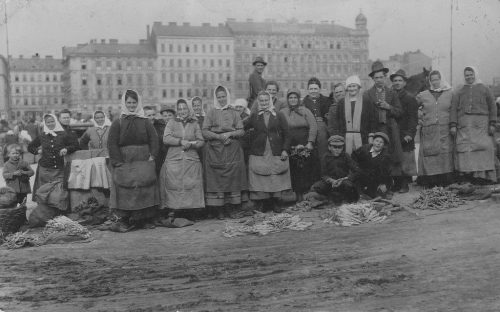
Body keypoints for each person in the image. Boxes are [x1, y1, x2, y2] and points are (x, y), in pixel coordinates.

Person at [107, 89, 160, 231]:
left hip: (143, 157)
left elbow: (154, 139)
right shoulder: (117, 122)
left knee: (144, 187)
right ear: (124, 103)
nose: (131, 105)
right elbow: (112, 143)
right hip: (125, 159)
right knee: (126, 188)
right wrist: (117, 162)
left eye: (134, 102)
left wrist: (152, 156)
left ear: (138, 103)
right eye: (129, 102)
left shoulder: (145, 122)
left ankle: (145, 219)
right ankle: (126, 219)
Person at [202, 86, 247, 219]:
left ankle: (231, 208)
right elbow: (204, 131)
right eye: (219, 97)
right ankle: (219, 210)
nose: (222, 99)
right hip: (216, 149)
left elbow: (241, 130)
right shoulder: (211, 112)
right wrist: (219, 137)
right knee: (217, 179)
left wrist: (230, 134)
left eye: (223, 96)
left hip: (232, 148)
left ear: (227, 97)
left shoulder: (234, 112)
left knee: (232, 179)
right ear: (216, 98)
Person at [245, 91, 291, 212]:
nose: (264, 103)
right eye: (262, 101)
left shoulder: (278, 115)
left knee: (275, 176)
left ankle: (276, 203)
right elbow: (242, 126)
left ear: (270, 101)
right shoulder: (254, 115)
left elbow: (287, 134)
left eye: (266, 100)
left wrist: (285, 150)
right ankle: (264, 203)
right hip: (260, 151)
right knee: (261, 176)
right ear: (258, 102)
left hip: (275, 150)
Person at [450, 66, 497, 183]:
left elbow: (492, 107)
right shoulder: (459, 90)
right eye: (467, 75)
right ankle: (467, 175)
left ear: (475, 74)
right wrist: (453, 124)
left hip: (482, 125)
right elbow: (453, 108)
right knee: (465, 149)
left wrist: (492, 123)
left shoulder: (485, 89)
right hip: (464, 125)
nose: (469, 77)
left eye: (471, 74)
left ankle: (482, 175)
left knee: (484, 148)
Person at [160, 99, 205, 219]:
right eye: (179, 109)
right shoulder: (172, 122)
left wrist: (191, 144)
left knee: (191, 184)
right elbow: (166, 138)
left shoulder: (194, 123)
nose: (182, 111)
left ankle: (191, 211)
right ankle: (176, 210)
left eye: (184, 108)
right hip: (174, 158)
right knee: (175, 184)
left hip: (191, 158)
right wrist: (180, 141)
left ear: (188, 109)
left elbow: (201, 141)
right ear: (177, 111)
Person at [365, 61, 403, 185]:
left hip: (391, 129)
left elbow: (399, 112)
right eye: (376, 78)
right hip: (376, 129)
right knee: (378, 155)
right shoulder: (367, 94)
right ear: (372, 79)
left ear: (385, 77)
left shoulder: (392, 93)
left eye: (381, 77)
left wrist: (388, 107)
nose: (379, 80)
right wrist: (370, 133)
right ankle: (381, 184)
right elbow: (366, 115)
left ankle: (398, 183)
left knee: (393, 154)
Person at [416, 70, 455, 187]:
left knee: (445, 154)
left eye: (437, 79)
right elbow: (412, 107)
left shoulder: (450, 93)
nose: (435, 82)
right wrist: (419, 117)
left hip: (445, 129)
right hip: (429, 130)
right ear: (430, 81)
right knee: (430, 155)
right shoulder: (423, 95)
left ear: (441, 79)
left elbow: (454, 109)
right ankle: (430, 179)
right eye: (432, 80)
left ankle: (445, 179)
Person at [28, 114, 79, 199]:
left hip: (60, 168)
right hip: (45, 169)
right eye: (48, 122)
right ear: (45, 123)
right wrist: (38, 151)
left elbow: (75, 145)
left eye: (52, 121)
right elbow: (30, 147)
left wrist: (67, 149)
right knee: (45, 192)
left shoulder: (64, 134)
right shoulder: (42, 136)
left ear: (56, 122)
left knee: (59, 192)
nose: (50, 124)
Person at [281, 88, 319, 202]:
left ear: (298, 99)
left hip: (304, 145)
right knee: (293, 170)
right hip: (290, 145)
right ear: (287, 99)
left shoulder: (305, 111)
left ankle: (304, 195)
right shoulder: (283, 112)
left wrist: (310, 142)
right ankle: (296, 195)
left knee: (305, 170)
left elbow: (313, 127)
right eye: (290, 98)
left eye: (295, 97)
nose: (293, 100)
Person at [328, 75, 376, 155]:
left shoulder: (366, 101)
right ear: (347, 88)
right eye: (349, 86)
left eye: (354, 86)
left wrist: (371, 136)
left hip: (362, 137)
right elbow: (339, 121)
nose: (352, 88)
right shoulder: (342, 103)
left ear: (358, 87)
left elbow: (372, 120)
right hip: (346, 138)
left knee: (362, 159)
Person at [390, 69, 418, 193]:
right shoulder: (390, 96)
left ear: (405, 83)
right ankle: (396, 183)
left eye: (400, 80)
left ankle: (405, 184)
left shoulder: (409, 98)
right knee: (395, 158)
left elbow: (413, 118)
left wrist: (410, 134)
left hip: (405, 132)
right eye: (395, 80)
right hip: (393, 132)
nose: (397, 83)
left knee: (406, 158)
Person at [309, 135, 360, 203]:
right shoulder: (325, 157)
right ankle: (327, 197)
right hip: (330, 182)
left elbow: (356, 171)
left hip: (343, 181)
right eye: (334, 147)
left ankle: (345, 198)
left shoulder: (346, 156)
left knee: (349, 186)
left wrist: (345, 178)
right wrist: (331, 180)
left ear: (342, 148)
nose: (337, 149)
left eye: (340, 147)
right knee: (316, 187)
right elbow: (323, 174)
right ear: (329, 147)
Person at [302, 77, 332, 170]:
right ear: (308, 90)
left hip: (322, 129)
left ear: (319, 89)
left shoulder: (327, 101)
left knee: (323, 153)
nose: (313, 91)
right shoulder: (304, 102)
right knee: (309, 153)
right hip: (308, 129)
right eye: (311, 89)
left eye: (315, 89)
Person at [351, 132, 392, 199]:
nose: (378, 143)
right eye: (376, 141)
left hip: (376, 179)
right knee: (355, 192)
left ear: (384, 145)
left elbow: (386, 172)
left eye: (381, 142)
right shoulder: (364, 149)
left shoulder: (385, 156)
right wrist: (356, 168)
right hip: (362, 175)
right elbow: (353, 157)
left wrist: (383, 183)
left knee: (375, 195)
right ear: (373, 141)